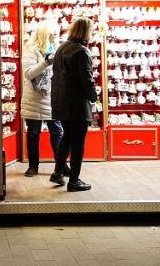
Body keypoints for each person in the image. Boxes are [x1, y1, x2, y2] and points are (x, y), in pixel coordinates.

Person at [49, 17, 96, 192]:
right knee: (78, 143)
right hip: (77, 103)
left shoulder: (62, 48)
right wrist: (94, 97)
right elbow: (87, 79)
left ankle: (58, 171)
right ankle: (74, 180)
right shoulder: (82, 51)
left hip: (61, 101)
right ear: (86, 32)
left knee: (67, 137)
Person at [20, 22, 64, 178]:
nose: (55, 37)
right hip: (34, 99)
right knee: (33, 133)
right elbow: (28, 74)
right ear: (44, 34)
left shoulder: (58, 50)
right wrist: (46, 62)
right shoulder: (31, 51)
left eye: (56, 34)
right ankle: (33, 166)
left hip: (52, 97)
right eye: (52, 34)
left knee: (57, 132)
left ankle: (61, 165)